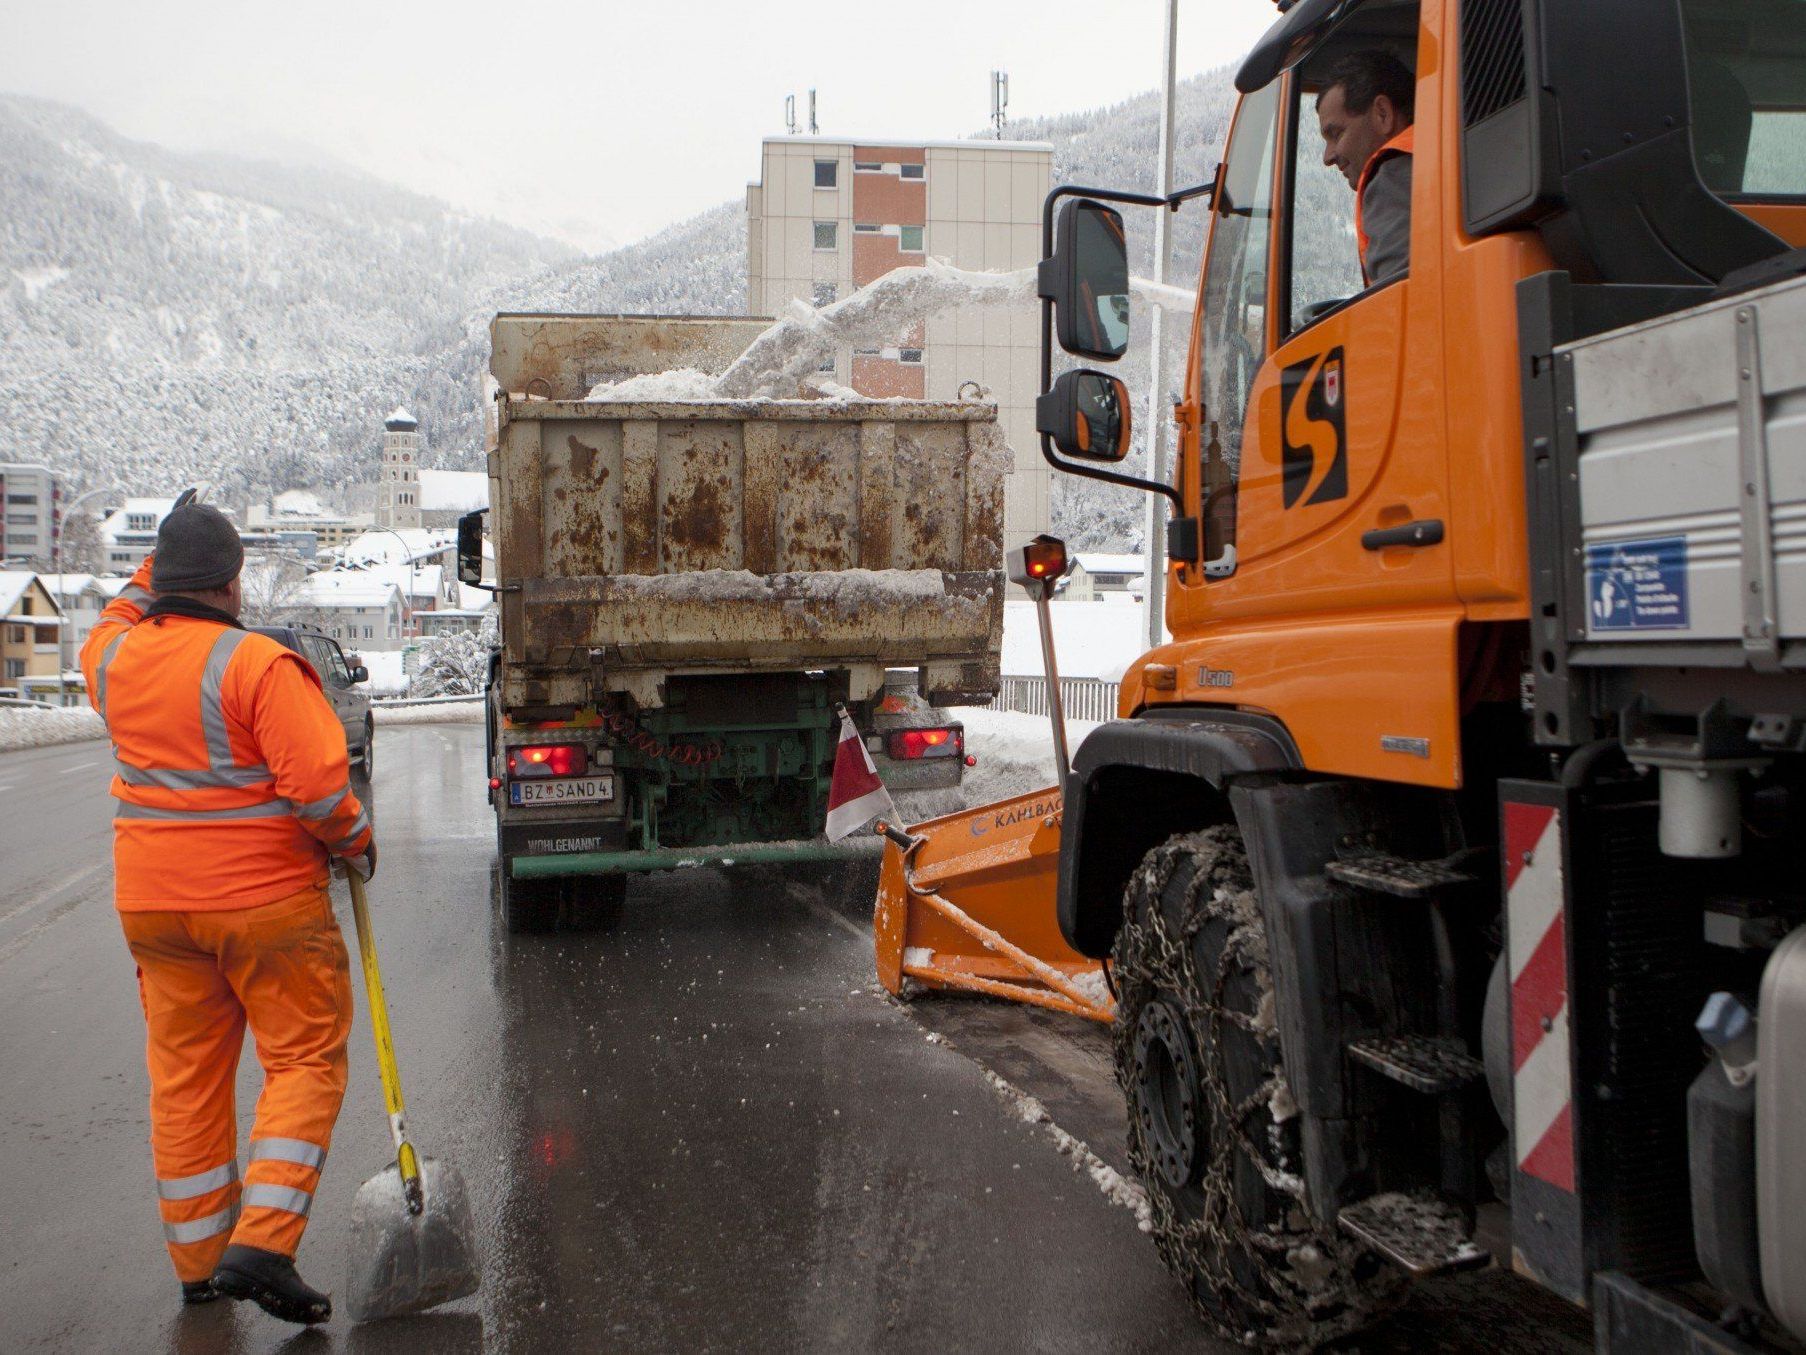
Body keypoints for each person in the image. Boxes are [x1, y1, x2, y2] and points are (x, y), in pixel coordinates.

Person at [81, 490, 375, 1325]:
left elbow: (116, 611)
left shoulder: (114, 660)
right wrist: (356, 842)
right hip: (262, 906)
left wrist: (158, 559)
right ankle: (265, 1241)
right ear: (231, 581)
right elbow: (321, 789)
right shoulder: (257, 666)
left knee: (185, 1080)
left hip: (154, 909)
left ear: (167, 576)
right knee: (306, 1058)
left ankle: (203, 1263)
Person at [1316, 49, 1416, 287]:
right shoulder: (1446, 157)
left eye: (1336, 133)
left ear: (1382, 114)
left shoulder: (1392, 180)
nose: (1327, 157)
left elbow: (1398, 304)